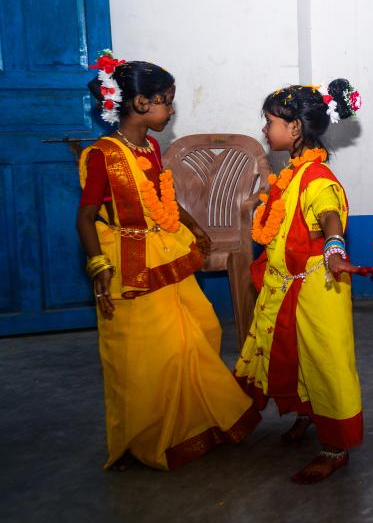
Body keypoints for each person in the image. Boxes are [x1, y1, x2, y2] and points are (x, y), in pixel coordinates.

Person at [76, 51, 259, 471]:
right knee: (149, 356)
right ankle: (152, 439)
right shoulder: (103, 155)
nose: (170, 109)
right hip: (128, 264)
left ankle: (196, 425)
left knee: (198, 332)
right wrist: (98, 268)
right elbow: (85, 217)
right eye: (166, 100)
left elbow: (166, 198)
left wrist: (192, 226)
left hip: (167, 251)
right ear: (141, 103)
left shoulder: (152, 146)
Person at [234, 81, 366, 484]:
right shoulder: (291, 173)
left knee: (325, 363)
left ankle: (336, 446)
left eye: (269, 122)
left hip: (317, 287)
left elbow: (329, 216)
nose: (264, 130)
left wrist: (334, 249)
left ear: (294, 129)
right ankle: (309, 417)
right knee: (294, 356)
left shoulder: (316, 177)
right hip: (288, 286)